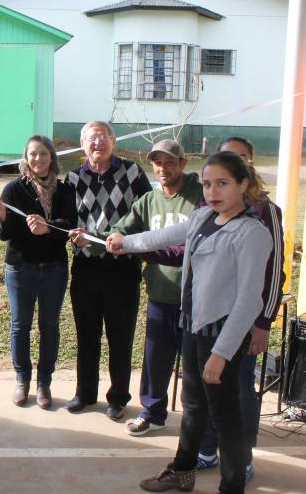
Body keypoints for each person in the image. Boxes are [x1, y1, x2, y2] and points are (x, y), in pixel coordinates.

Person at [106, 151, 273, 494]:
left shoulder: (252, 233)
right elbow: (164, 237)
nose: (212, 191)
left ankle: (232, 486)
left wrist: (222, 353)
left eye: (222, 183)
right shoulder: (203, 217)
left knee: (226, 417)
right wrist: (125, 243)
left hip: (221, 335)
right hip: (193, 325)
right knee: (193, 407)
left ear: (244, 184)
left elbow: (248, 301)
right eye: (208, 183)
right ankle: (182, 471)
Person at [195, 137, 285, 485]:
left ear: (247, 174)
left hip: (244, 323)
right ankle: (206, 447)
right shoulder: (211, 209)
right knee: (207, 388)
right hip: (208, 321)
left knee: (241, 390)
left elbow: (275, 270)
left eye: (241, 160)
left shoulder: (265, 213)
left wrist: (263, 322)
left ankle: (241, 457)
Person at [109, 139, 203, 436]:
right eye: (157, 163)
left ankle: (198, 421)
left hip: (196, 299)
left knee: (194, 364)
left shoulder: (200, 196)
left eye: (169, 162)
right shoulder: (150, 200)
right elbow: (123, 226)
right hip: (160, 293)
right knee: (155, 359)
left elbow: (189, 248)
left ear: (183, 163)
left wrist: (136, 248)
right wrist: (109, 237)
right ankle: (152, 412)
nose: (163, 168)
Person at [65, 121, 153, 419]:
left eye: (103, 137)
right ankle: (85, 394)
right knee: (86, 334)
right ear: (83, 143)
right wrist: (69, 232)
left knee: (121, 336)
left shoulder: (131, 172)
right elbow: (65, 219)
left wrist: (125, 239)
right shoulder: (74, 177)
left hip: (123, 268)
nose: (97, 143)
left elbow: (146, 213)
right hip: (86, 267)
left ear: (113, 141)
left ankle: (118, 397)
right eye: (92, 138)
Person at [0, 135, 76, 409]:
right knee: (20, 325)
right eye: (32, 154)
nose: (37, 159)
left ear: (51, 157)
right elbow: (4, 235)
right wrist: (3, 217)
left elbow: (69, 226)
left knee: (49, 326)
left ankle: (44, 384)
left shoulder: (65, 191)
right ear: (25, 159)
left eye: (42, 153)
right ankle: (22, 380)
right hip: (20, 268)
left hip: (54, 269)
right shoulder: (14, 189)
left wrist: (48, 227)